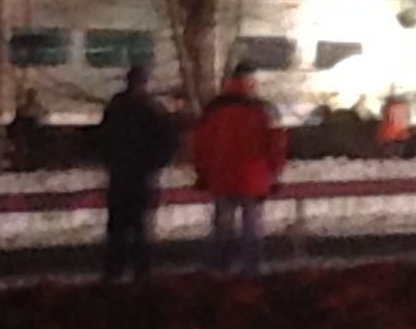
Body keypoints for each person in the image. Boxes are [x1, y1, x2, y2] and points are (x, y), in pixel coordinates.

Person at [188, 62, 289, 275]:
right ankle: (251, 270)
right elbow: (276, 144)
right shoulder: (265, 109)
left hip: (221, 176)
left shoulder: (214, 108)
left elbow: (201, 143)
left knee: (222, 226)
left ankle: (219, 269)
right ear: (251, 80)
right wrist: (275, 173)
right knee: (251, 227)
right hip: (254, 177)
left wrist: (202, 172)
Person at [96, 65, 177, 283]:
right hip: (142, 176)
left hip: (120, 174)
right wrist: (156, 164)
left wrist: (110, 161)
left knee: (117, 227)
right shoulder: (153, 110)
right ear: (145, 83)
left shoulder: (115, 108)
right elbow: (168, 142)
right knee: (140, 226)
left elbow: (100, 140)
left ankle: (114, 271)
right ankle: (141, 273)